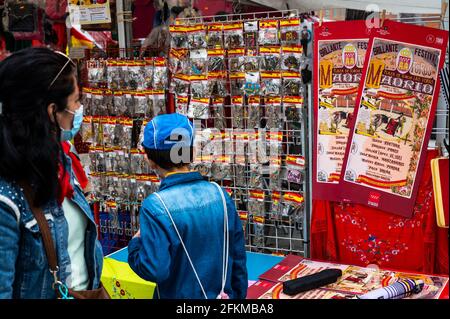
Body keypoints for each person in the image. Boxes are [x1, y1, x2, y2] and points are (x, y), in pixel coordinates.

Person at [0, 47, 104, 298]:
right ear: (51, 112)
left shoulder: (61, 165)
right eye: (76, 101)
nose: (80, 109)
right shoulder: (7, 198)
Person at [128, 113, 248, 299]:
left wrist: (135, 245)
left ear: (150, 159)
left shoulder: (155, 207)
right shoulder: (220, 194)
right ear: (189, 151)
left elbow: (154, 269)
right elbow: (238, 260)